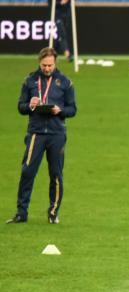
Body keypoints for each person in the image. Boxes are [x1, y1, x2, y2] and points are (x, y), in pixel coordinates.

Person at [6, 47, 77, 225]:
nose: (47, 68)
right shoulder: (30, 81)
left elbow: (72, 109)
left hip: (56, 134)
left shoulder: (65, 82)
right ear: (39, 62)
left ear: (55, 63)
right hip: (36, 133)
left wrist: (60, 111)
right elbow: (21, 107)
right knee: (27, 172)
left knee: (56, 174)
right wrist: (30, 105)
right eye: (44, 65)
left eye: (50, 65)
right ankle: (21, 213)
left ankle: (53, 213)